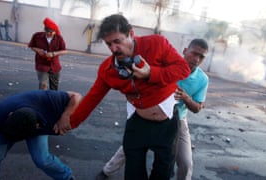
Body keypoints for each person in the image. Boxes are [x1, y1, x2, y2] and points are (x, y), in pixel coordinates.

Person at [62, 14, 191, 180]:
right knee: (133, 173)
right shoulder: (107, 69)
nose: (114, 49)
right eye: (109, 44)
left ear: (131, 33)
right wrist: (69, 123)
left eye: (118, 41)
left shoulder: (156, 44)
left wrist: (151, 72)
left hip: (167, 124)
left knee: (163, 172)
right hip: (137, 123)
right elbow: (92, 98)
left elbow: (183, 69)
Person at [96, 39, 209, 180]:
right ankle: (107, 171)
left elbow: (197, 108)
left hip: (178, 118)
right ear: (185, 51)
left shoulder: (202, 79)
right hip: (148, 114)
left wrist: (186, 98)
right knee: (129, 149)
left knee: (185, 162)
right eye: (194, 54)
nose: (197, 59)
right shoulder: (167, 62)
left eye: (202, 57)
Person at [0, 90, 82, 180]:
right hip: (6, 129)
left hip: (33, 126)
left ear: (37, 125)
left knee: (42, 160)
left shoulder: (51, 100)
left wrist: (66, 114)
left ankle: (67, 177)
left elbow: (76, 95)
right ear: (10, 114)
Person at [28, 17, 67, 90]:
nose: (49, 34)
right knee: (43, 85)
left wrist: (53, 54)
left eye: (51, 32)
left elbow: (64, 51)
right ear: (45, 30)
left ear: (55, 31)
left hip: (54, 66)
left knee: (54, 88)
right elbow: (31, 46)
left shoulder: (59, 38)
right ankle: (42, 100)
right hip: (42, 65)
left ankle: (52, 100)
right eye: (47, 31)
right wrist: (38, 50)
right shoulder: (37, 36)